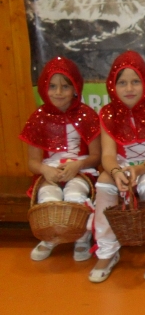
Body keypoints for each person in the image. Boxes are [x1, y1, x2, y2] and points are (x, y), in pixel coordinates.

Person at [90, 51, 145, 283]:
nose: (129, 88)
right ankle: (107, 250)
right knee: (104, 183)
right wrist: (116, 172)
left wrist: (137, 171)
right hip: (122, 168)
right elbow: (108, 156)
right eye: (123, 83)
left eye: (135, 81)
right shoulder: (107, 114)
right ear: (113, 85)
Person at [20, 57, 100, 262]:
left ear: (75, 88)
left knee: (75, 193)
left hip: (81, 170)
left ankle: (82, 236)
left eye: (65, 86)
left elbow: (95, 156)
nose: (58, 92)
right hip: (50, 171)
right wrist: (45, 170)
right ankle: (50, 237)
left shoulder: (87, 115)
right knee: (49, 196)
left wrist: (78, 165)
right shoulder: (38, 118)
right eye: (52, 86)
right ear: (44, 88)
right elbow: (32, 162)